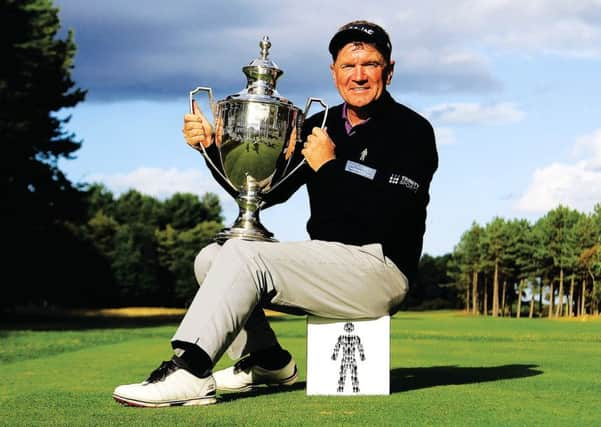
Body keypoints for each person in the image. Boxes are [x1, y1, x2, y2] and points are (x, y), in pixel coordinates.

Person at [112, 20, 438, 407]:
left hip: (380, 269)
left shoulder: (412, 130)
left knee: (244, 255)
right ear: (333, 73)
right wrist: (214, 149)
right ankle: (268, 360)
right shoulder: (319, 123)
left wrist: (332, 167)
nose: (359, 76)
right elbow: (268, 192)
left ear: (389, 70)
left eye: (370, 64)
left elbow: (397, 210)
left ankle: (190, 371)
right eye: (348, 66)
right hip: (326, 266)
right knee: (212, 258)